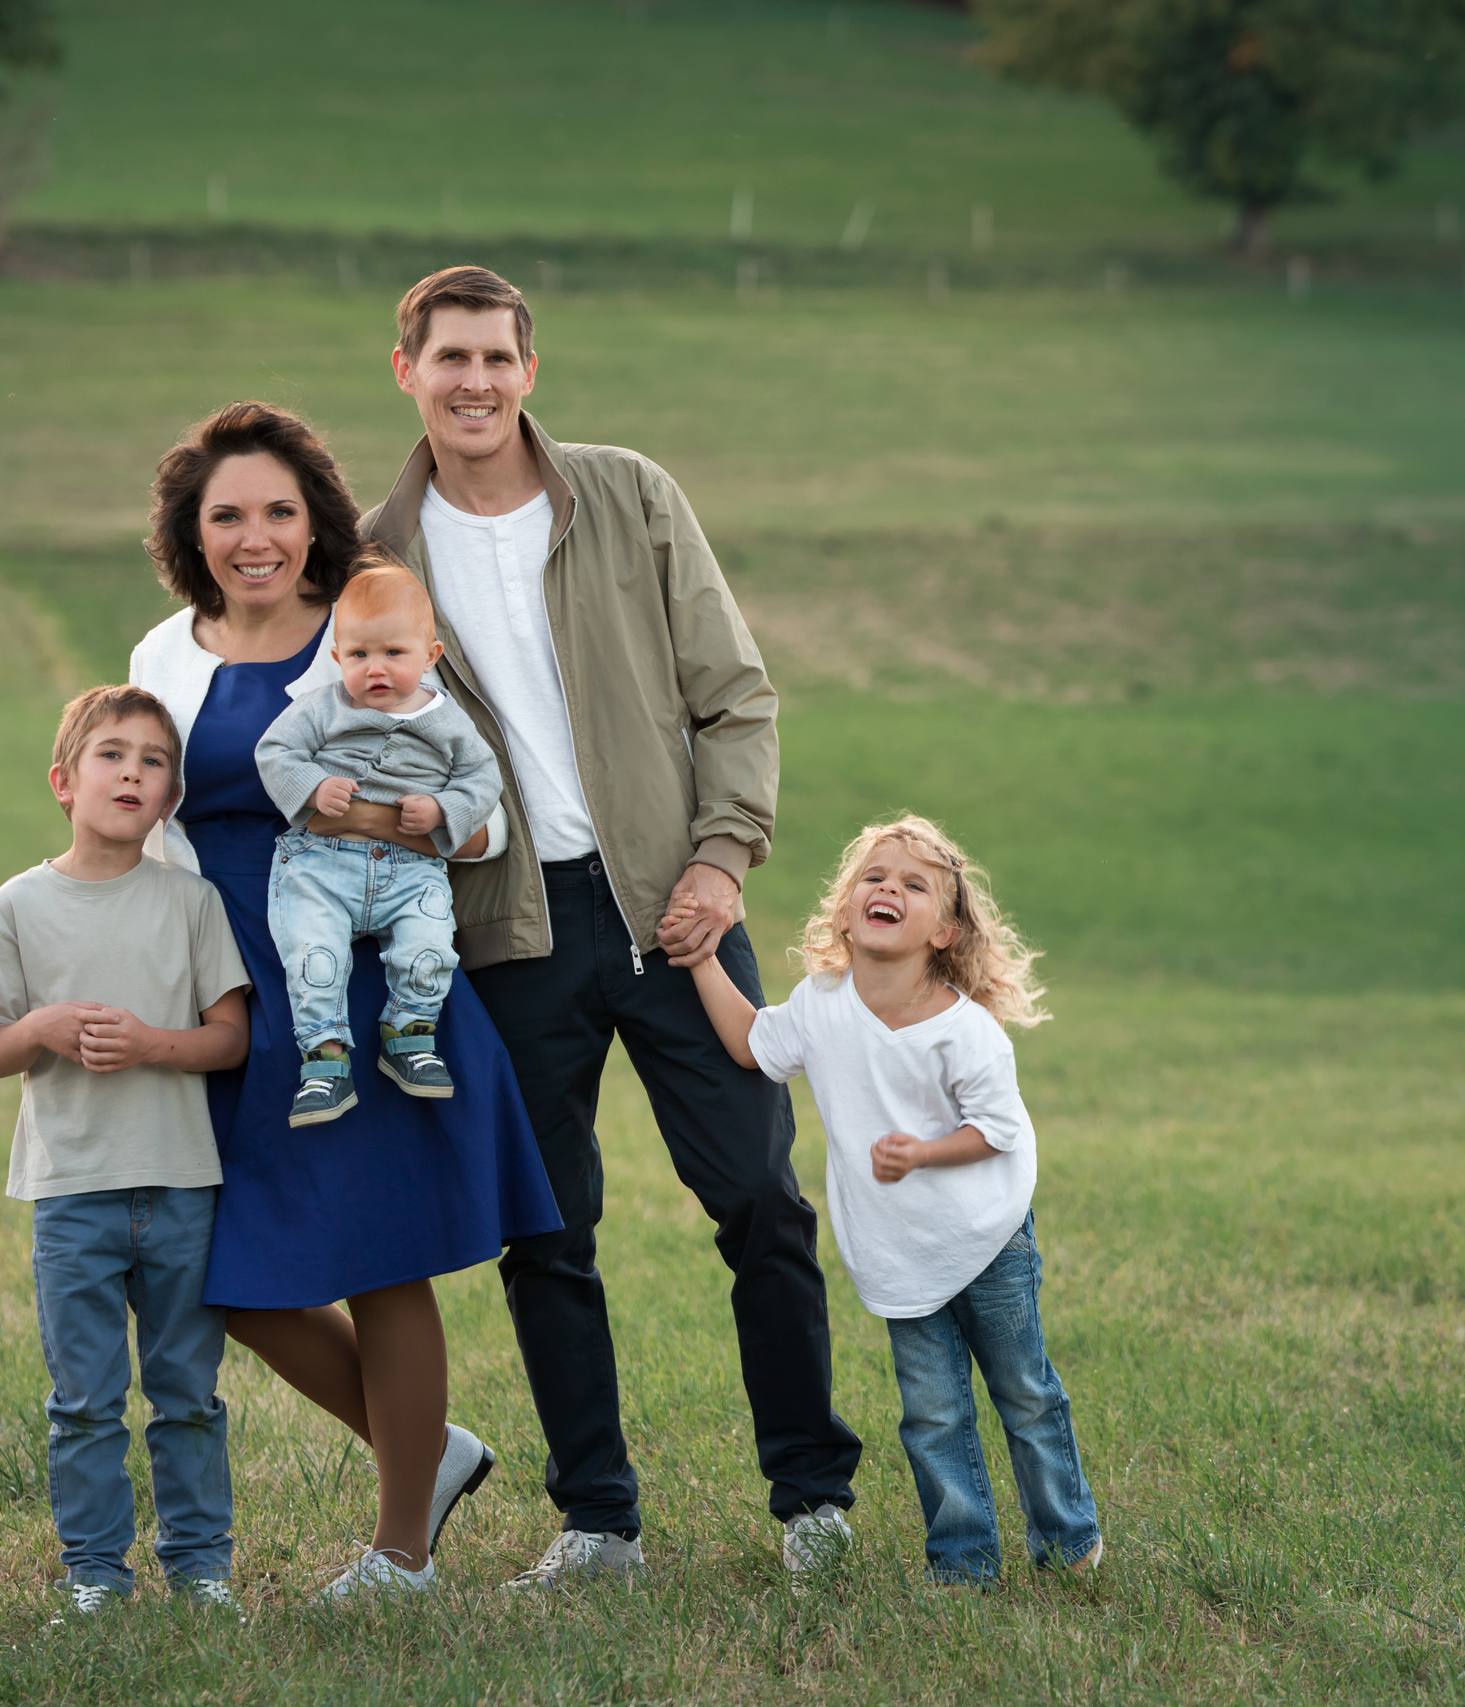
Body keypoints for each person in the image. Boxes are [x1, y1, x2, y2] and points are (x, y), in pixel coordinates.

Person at [357, 266, 862, 1587]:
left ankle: (813, 1496)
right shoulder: (374, 556)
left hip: (671, 908)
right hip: (505, 932)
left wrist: (722, 859)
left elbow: (734, 694)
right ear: (406, 369)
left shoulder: (628, 493)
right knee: (545, 1231)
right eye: (450, 357)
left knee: (759, 1195)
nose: (475, 382)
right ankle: (597, 1521)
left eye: (496, 357)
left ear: (529, 370)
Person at [127, 402, 560, 1599]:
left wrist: (379, 820)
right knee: (211, 1268)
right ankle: (431, 1452)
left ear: (313, 519)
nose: (254, 537)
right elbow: (145, 823)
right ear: (192, 532)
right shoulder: (162, 656)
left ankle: (401, 1550)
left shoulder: (366, 633)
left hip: (360, 980)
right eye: (227, 515)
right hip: (226, 986)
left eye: (278, 510)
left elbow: (480, 813)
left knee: (380, 1258)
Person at [680, 815, 1103, 1587]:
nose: (889, 889)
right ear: (845, 911)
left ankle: (1068, 1539)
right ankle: (963, 1562)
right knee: (933, 1415)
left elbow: (999, 1129)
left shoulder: (965, 1030)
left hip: (987, 1237)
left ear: (944, 930)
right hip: (901, 1255)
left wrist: (922, 1153)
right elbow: (751, 1043)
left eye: (914, 884)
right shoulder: (822, 1003)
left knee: (1025, 1393)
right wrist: (704, 958)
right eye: (874, 877)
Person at [0, 685, 255, 1616]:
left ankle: (201, 1569)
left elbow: (230, 1039)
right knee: (84, 1399)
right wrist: (42, 1026)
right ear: (64, 781)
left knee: (187, 1394)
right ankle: (95, 1573)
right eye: (111, 755)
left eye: (153, 761)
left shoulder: (191, 902)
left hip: (181, 1186)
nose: (132, 773)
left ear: (170, 796)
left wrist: (150, 1043)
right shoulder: (19, 904)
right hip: (72, 1192)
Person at [255, 557, 502, 1124]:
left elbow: (482, 778)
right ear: (338, 658)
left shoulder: (448, 720)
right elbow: (275, 752)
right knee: (313, 955)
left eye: (394, 653)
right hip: (320, 864)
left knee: (430, 947)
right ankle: (324, 1061)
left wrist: (442, 809)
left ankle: (409, 1035)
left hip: (411, 868)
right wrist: (314, 787)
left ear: (430, 655)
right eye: (359, 655)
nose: (376, 669)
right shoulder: (322, 708)